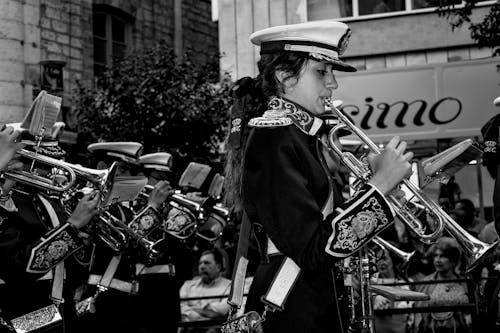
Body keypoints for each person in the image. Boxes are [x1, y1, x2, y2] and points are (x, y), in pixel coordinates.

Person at [223, 20, 413, 332]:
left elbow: (324, 232)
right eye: (321, 72)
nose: (333, 84)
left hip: (309, 298)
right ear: (285, 77)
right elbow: (314, 250)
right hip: (292, 301)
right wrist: (379, 188)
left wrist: (376, 187)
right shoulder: (274, 137)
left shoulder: (299, 136)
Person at [0, 124, 101, 333]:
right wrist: (72, 227)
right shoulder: (9, 203)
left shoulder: (50, 202)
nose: (54, 172)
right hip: (22, 315)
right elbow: (19, 267)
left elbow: (77, 268)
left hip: (58, 312)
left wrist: (85, 235)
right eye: (45, 165)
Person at [412, 237, 471, 333]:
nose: (438, 260)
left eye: (443, 256)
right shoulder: (424, 283)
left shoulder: (464, 283)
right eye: (435, 256)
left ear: (453, 260)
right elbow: (419, 317)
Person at [179, 248, 231, 332]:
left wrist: (192, 309)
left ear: (218, 267)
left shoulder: (229, 286)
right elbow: (179, 307)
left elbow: (223, 310)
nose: (202, 267)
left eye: (206, 263)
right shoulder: (188, 285)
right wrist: (199, 318)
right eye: (200, 263)